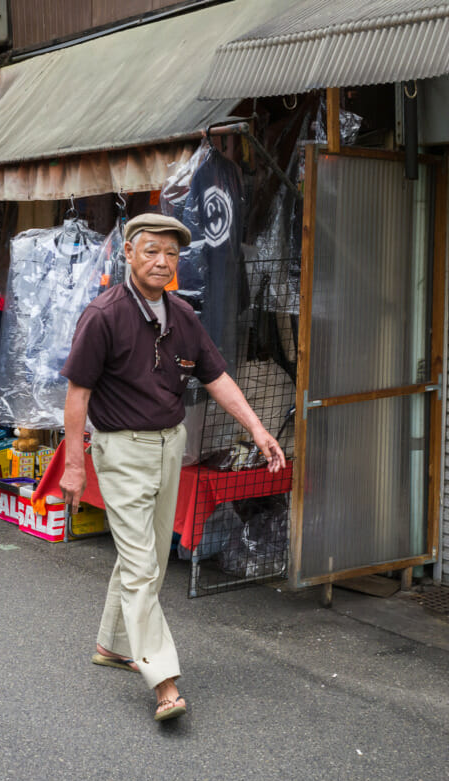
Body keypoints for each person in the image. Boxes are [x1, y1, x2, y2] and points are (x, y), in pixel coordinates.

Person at [60, 213, 286, 722]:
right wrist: (74, 465)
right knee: (142, 567)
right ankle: (163, 679)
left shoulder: (181, 314)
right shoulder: (104, 314)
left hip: (170, 445)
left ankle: (113, 644)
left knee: (150, 561)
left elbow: (216, 376)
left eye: (171, 254)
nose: (162, 262)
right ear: (128, 254)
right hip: (121, 451)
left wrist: (256, 427)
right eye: (151, 251)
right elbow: (77, 395)